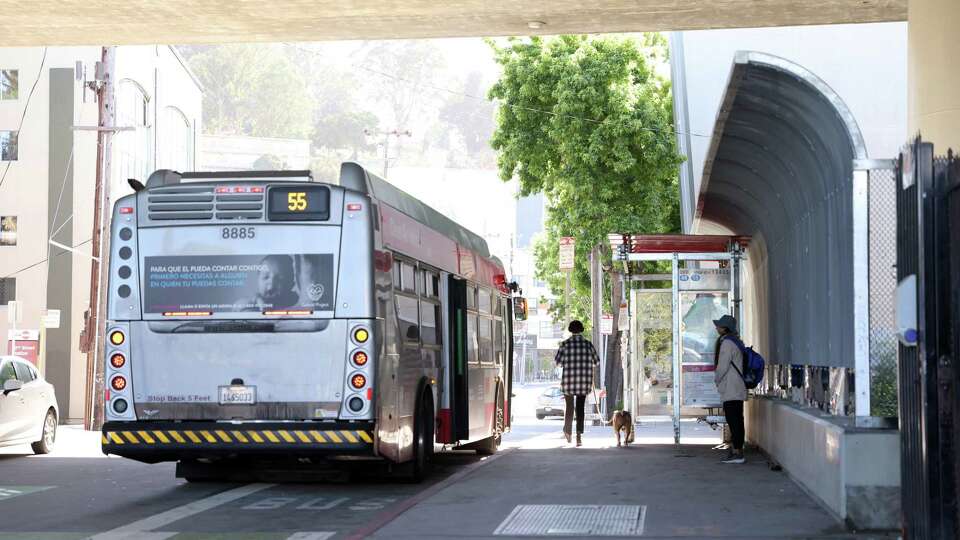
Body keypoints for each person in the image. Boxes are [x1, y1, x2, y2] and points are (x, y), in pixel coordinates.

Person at [554, 320, 600, 447]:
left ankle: (567, 432)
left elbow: (558, 362)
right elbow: (596, 362)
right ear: (581, 330)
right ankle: (578, 436)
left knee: (569, 407)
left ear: (570, 330)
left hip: (568, 381)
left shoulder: (564, 344)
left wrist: (567, 363)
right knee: (580, 408)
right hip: (584, 382)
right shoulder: (588, 344)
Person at [713, 314, 747, 464]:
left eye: (719, 325)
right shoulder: (736, 342)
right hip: (737, 387)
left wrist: (716, 379)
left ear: (724, 328)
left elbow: (722, 366)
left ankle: (737, 453)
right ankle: (737, 450)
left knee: (733, 420)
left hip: (731, 388)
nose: (717, 327)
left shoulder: (727, 343)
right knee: (737, 419)